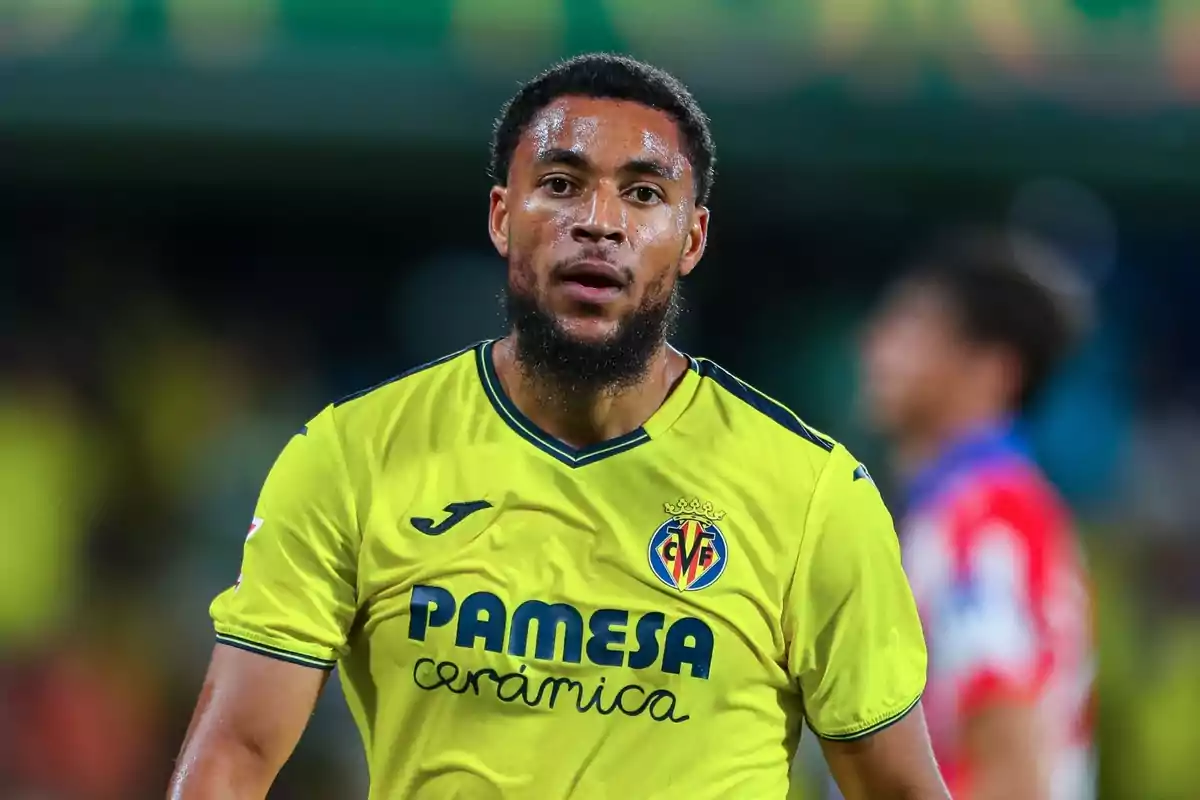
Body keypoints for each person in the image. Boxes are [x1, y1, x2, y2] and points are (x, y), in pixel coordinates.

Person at [169, 53, 948, 800]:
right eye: (562, 183)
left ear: (693, 239)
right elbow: (235, 753)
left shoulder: (812, 495)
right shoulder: (351, 458)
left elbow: (899, 789)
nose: (599, 222)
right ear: (503, 218)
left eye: (644, 195)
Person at [859, 232, 1096, 799]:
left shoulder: (981, 519)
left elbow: (1012, 763)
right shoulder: (974, 507)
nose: (876, 348)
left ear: (994, 370)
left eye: (913, 329)